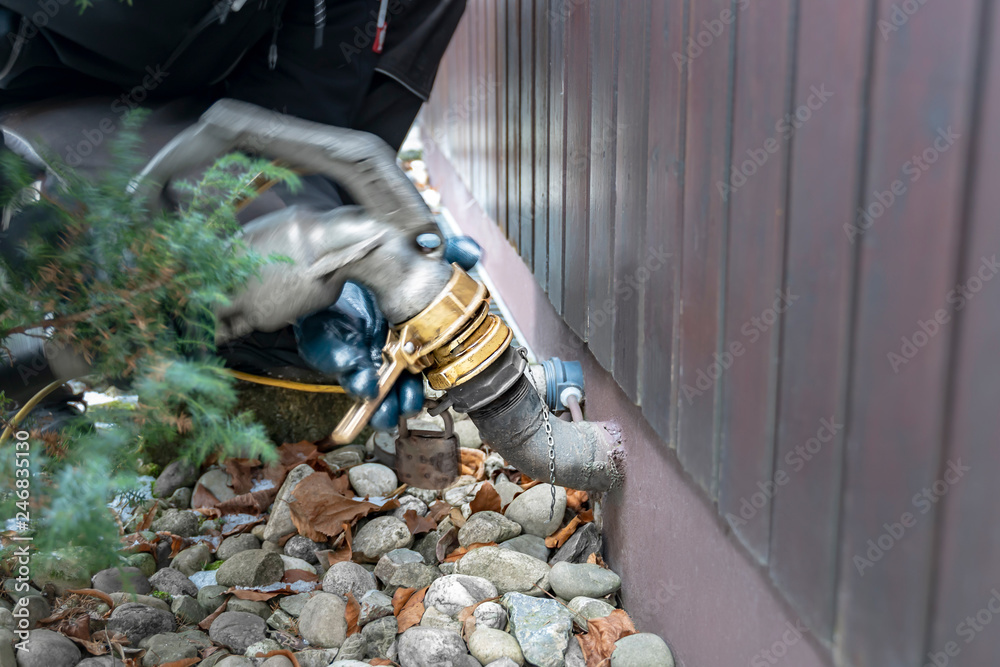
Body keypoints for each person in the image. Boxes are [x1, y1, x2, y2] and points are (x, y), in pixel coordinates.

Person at [0, 0, 477, 431]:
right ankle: (31, 364)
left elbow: (300, 112)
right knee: (78, 258)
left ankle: (257, 328)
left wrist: (322, 240)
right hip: (38, 99)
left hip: (202, 98)